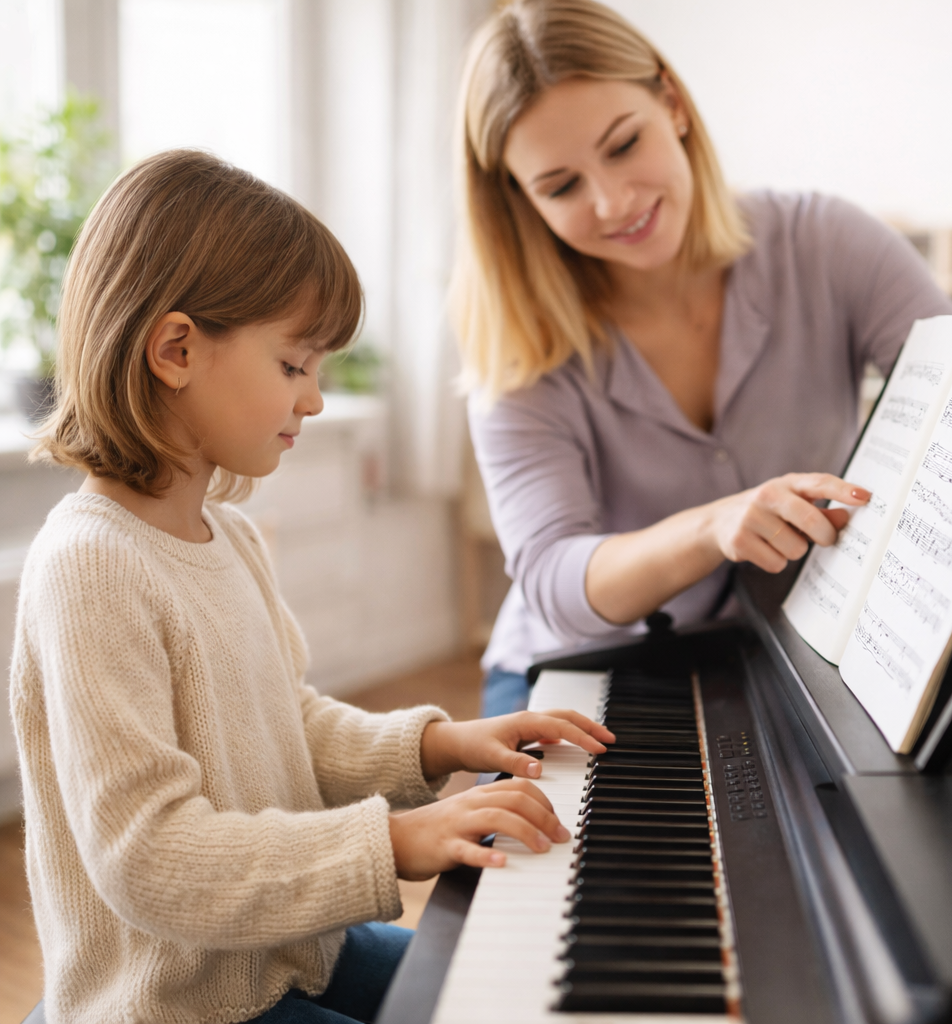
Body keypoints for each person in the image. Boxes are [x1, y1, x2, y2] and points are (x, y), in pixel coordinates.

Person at [9, 149, 614, 1024]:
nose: (317, 399)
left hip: (283, 951)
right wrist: (393, 840)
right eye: (295, 366)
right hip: (174, 1002)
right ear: (176, 350)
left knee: (496, 989)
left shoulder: (230, 534)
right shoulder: (93, 566)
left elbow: (285, 723)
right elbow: (148, 857)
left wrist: (439, 745)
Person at [452, 0, 952, 717]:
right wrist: (712, 526)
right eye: (561, 186)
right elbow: (556, 582)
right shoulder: (519, 349)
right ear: (518, 200)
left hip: (784, 653)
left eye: (624, 144)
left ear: (673, 103)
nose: (613, 201)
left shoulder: (826, 241)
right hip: (580, 668)